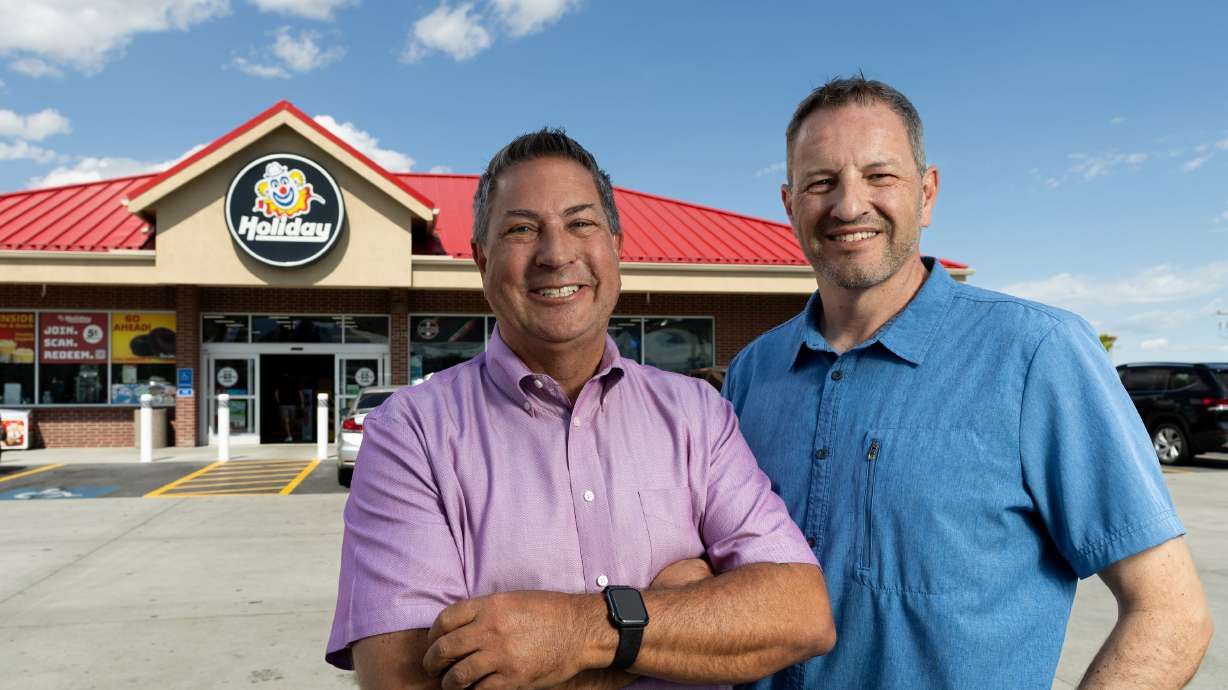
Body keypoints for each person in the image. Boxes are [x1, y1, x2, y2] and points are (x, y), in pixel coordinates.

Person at [722, 75, 1214, 688]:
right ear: (790, 204)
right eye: (821, 182)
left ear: (926, 194)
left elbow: (1168, 610)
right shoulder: (751, 375)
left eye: (880, 176)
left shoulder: (1038, 356)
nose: (849, 205)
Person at [326, 129, 835, 689]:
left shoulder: (697, 414)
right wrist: (676, 613)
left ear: (615, 246)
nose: (556, 253)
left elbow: (800, 615)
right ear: (481, 259)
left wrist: (576, 633)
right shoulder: (409, 433)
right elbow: (405, 679)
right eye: (522, 229)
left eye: (580, 223)